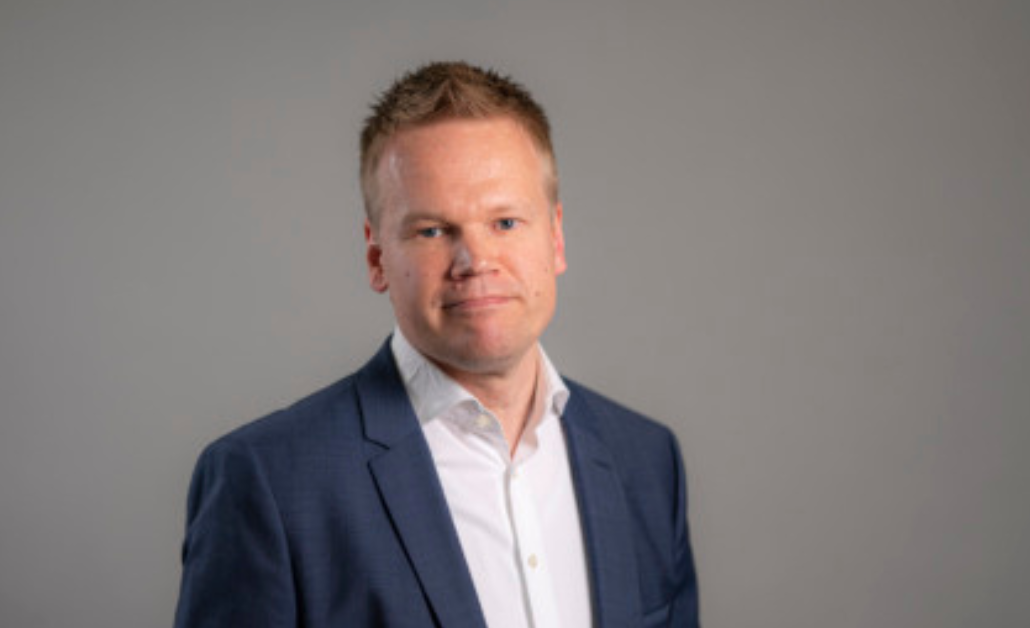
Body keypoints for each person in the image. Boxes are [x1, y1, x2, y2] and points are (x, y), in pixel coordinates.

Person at [174, 61, 698, 628]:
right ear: (377, 257)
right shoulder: (269, 481)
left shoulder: (647, 460)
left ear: (556, 238)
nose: (476, 262)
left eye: (505, 222)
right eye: (432, 231)